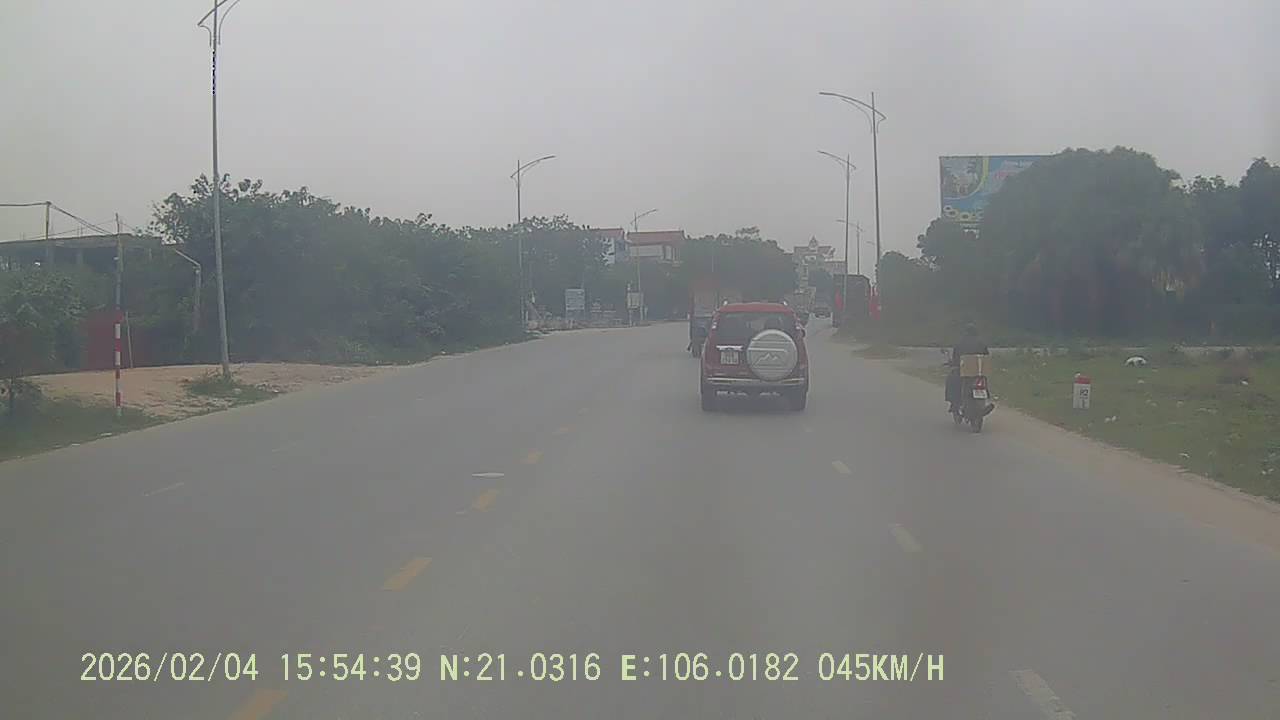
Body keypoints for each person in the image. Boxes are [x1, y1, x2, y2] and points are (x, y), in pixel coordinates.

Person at [946, 321, 990, 413]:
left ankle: (954, 403)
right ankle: (984, 402)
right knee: (984, 381)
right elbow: (986, 357)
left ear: (965, 332)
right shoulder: (981, 343)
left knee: (951, 379)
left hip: (964, 372)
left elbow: (955, 359)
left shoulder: (959, 344)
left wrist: (952, 363)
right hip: (978, 372)